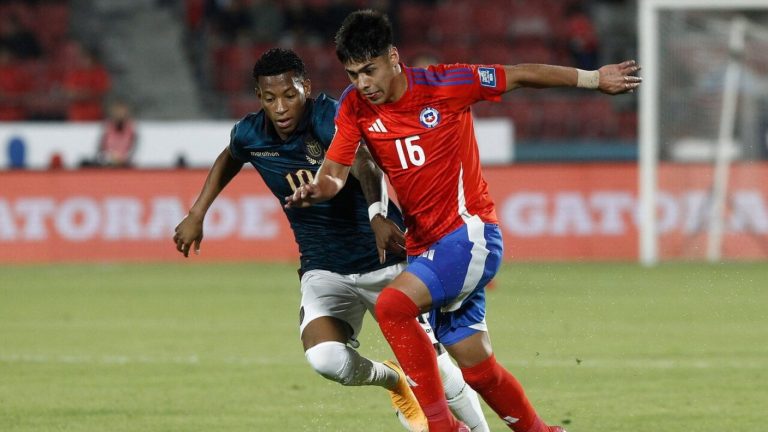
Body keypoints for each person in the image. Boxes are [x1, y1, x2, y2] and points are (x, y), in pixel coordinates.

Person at [285, 9, 642, 432]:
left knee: (393, 306)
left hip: (469, 234)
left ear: (394, 57)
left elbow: (520, 74)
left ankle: (442, 426)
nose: (363, 83)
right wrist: (315, 190)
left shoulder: (446, 84)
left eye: (369, 70)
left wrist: (593, 79)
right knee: (477, 370)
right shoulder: (355, 107)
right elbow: (334, 173)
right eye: (352, 74)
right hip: (425, 247)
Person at [173, 47, 490, 432]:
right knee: (325, 359)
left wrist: (376, 214)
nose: (281, 107)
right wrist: (197, 212)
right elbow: (230, 155)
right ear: (259, 97)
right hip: (323, 267)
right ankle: (395, 381)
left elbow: (364, 162)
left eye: (290, 95)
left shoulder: (329, 118)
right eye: (270, 98)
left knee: (438, 369)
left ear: (305, 87)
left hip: (385, 263)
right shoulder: (251, 133)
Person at [94, 100, 137, 168]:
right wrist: (109, 157)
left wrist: (122, 158)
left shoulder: (131, 129)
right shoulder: (107, 127)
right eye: (118, 111)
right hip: (107, 162)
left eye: (122, 111)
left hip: (125, 164)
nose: (119, 114)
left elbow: (133, 149)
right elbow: (100, 148)